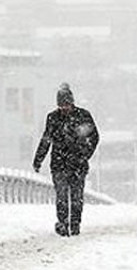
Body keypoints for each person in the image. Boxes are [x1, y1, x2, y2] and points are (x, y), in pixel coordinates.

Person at [32, 83, 99, 236]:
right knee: (61, 196)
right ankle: (63, 223)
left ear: (72, 102)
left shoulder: (83, 116)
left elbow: (94, 137)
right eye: (61, 105)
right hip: (59, 164)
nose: (64, 108)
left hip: (77, 164)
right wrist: (38, 159)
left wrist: (84, 155)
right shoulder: (53, 118)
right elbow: (46, 140)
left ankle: (75, 224)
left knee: (76, 196)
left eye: (66, 105)